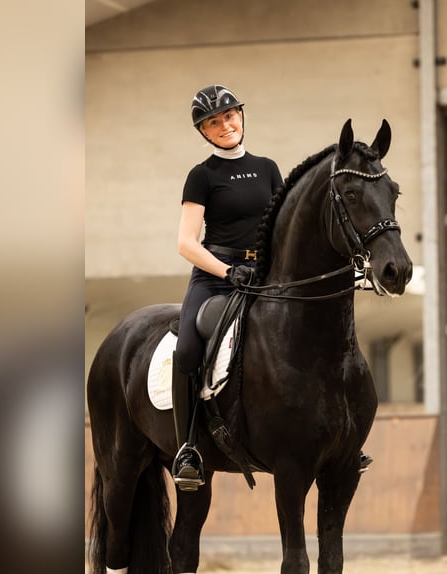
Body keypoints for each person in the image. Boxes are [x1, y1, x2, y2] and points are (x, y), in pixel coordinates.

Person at [171, 84, 284, 490]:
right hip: (216, 276)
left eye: (229, 116)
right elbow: (186, 243)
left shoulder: (268, 167)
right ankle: (189, 448)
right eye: (213, 122)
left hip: (264, 274)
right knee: (187, 348)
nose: (224, 125)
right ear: (203, 131)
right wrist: (227, 271)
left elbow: (279, 229)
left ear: (241, 115)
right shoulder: (201, 176)